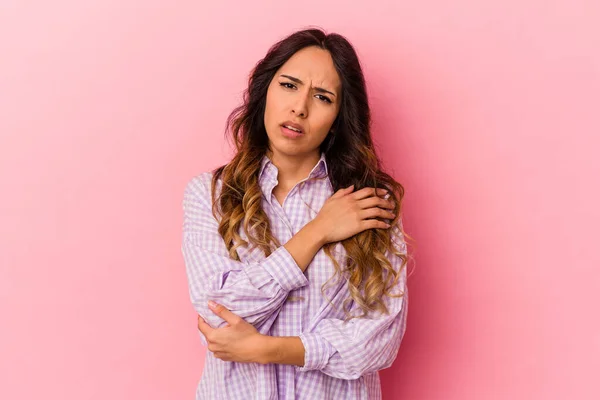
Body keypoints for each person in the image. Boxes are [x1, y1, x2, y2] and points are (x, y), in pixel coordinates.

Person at [181, 27, 410, 400]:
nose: (300, 107)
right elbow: (219, 311)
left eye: (322, 96)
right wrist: (318, 231)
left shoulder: (370, 202)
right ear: (265, 91)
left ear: (339, 116)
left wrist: (267, 349)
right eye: (289, 85)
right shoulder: (210, 194)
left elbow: (378, 339)